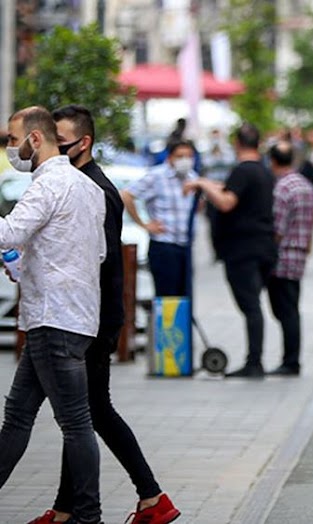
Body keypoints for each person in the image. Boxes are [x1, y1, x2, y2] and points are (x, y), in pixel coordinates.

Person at [29, 106, 181, 524]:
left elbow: (102, 262)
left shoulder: (96, 189)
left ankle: (150, 497)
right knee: (81, 412)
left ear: (84, 143)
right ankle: (71, 508)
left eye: (61, 142)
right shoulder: (78, 183)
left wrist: (96, 323)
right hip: (86, 316)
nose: (53, 150)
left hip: (92, 318)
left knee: (90, 412)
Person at [0, 106, 106, 524]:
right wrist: (21, 263)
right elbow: (92, 252)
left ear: (35, 139)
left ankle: (88, 516)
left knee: (75, 423)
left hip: (52, 319)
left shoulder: (47, 185)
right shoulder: (87, 188)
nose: (11, 148)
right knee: (19, 416)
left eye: (12, 140)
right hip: (75, 318)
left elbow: (9, 232)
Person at [184, 123, 277, 379]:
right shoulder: (264, 171)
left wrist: (202, 185)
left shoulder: (242, 171)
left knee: (250, 306)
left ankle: (254, 362)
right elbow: (229, 191)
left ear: (237, 143)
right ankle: (254, 359)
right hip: (263, 246)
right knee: (253, 304)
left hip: (242, 249)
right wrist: (207, 183)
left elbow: (226, 202)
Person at [121, 139, 198, 297]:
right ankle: (168, 323)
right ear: (170, 157)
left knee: (185, 297)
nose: (185, 160)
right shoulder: (157, 176)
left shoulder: (192, 177)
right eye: (180, 156)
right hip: (164, 245)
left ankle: (183, 323)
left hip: (185, 245)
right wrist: (144, 224)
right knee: (167, 298)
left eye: (189, 156)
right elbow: (127, 195)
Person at [267, 141, 313, 376]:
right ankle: (292, 358)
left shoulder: (282, 188)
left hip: (283, 256)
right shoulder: (305, 186)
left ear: (273, 161)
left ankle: (291, 361)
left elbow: (277, 228)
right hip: (299, 254)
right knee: (292, 308)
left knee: (285, 311)